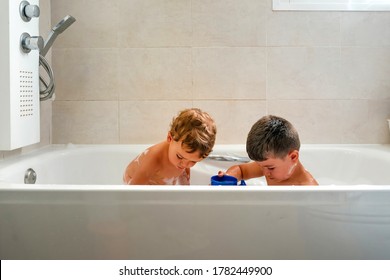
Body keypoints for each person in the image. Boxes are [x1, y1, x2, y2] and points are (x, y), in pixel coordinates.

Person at [123, 108, 217, 185]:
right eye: (179, 157)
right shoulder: (153, 159)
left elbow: (184, 180)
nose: (185, 165)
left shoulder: (184, 156)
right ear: (169, 138)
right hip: (136, 183)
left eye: (193, 161)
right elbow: (133, 191)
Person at [220, 115, 318, 186]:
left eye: (271, 168)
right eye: (260, 166)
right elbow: (241, 171)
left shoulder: (308, 188)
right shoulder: (267, 167)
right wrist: (229, 178)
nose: (265, 172)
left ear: (293, 157)